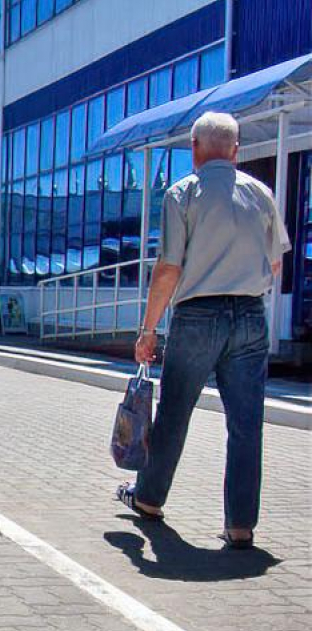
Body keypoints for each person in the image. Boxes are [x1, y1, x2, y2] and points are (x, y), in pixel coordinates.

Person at [117, 112, 291, 550]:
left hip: (197, 315)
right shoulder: (262, 194)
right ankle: (240, 526)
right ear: (235, 151)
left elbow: (169, 268)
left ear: (194, 148)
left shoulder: (183, 194)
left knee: (175, 413)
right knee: (247, 424)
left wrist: (148, 329)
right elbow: (275, 263)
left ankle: (151, 499)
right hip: (251, 315)